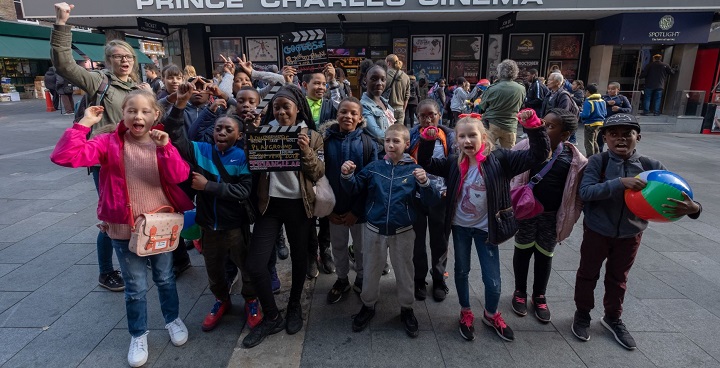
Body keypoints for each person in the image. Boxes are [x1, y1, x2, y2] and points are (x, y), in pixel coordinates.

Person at [50, 90, 193, 367]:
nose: (138, 116)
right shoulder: (107, 143)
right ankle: (138, 334)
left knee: (165, 278)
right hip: (123, 228)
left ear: (155, 115)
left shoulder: (161, 140)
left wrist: (165, 148)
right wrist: (83, 124)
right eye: (132, 111)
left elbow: (180, 176)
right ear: (124, 114)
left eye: (144, 111)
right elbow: (65, 157)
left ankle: (173, 319)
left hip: (159, 227)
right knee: (135, 287)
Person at [416, 110, 550, 342]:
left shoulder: (501, 160)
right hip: (460, 228)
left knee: (493, 278)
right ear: (456, 140)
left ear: (483, 138)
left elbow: (539, 154)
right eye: (462, 137)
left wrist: (533, 125)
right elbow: (426, 162)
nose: (467, 141)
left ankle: (491, 313)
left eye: (472, 136)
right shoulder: (452, 163)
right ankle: (465, 311)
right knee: (461, 270)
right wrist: (428, 140)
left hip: (487, 229)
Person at [572, 113, 702, 350]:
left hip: (631, 234)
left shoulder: (651, 166)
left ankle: (612, 318)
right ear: (605, 138)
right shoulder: (597, 162)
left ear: (638, 137)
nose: (620, 139)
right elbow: (586, 192)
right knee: (587, 274)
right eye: (613, 135)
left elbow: (678, 195)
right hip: (597, 230)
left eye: (627, 134)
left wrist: (694, 208)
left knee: (618, 278)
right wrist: (620, 183)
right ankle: (582, 314)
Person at [51, 1, 143, 292]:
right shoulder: (99, 82)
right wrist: (62, 24)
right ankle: (106, 271)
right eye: (117, 57)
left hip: (136, 158)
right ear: (108, 60)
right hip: (106, 159)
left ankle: (138, 251)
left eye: (127, 56)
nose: (124, 60)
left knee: (134, 209)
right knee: (111, 215)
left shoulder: (140, 87)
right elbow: (64, 65)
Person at [165, 82, 261, 332]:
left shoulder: (242, 157)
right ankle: (221, 299)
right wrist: (180, 105)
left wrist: (209, 186)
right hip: (209, 226)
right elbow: (175, 136)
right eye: (218, 128)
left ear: (238, 135)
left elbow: (243, 190)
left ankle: (251, 300)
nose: (221, 132)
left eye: (228, 129)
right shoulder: (201, 150)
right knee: (214, 270)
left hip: (235, 226)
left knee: (246, 266)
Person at [242, 84, 325, 349]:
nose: (280, 112)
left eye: (285, 107)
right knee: (255, 265)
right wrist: (251, 135)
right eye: (276, 108)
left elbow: (319, 172)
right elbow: (250, 163)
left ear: (297, 109)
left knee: (300, 259)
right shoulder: (262, 132)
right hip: (270, 205)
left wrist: (306, 152)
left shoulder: (311, 136)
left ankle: (293, 308)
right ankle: (272, 316)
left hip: (299, 206)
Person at [341, 124, 440, 338]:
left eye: (396, 141)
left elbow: (431, 201)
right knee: (371, 268)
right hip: (374, 229)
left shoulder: (414, 170)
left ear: (406, 144)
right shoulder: (375, 167)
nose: (391, 144)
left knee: (405, 271)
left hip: (403, 230)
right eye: (387, 140)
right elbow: (355, 188)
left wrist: (425, 183)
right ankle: (368, 305)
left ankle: (407, 308)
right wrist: (347, 175)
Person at [509, 108, 587, 323]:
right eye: (543, 123)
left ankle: (539, 295)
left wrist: (572, 214)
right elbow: (511, 174)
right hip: (526, 213)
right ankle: (520, 292)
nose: (543, 128)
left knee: (544, 255)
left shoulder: (574, 159)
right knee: (522, 251)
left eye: (550, 127)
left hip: (552, 217)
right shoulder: (526, 147)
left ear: (565, 135)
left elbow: (577, 193)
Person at [324, 97, 379, 303]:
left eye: (353, 113)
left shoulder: (368, 143)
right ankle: (341, 278)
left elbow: (371, 181)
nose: (348, 116)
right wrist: (328, 209)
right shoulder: (325, 141)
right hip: (334, 209)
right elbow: (320, 177)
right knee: (338, 246)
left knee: (361, 247)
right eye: (343, 112)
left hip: (359, 212)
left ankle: (362, 277)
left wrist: (357, 211)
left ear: (360, 118)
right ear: (336, 115)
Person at [408, 99, 455, 302]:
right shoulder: (411, 136)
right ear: (417, 118)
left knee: (440, 240)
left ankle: (438, 278)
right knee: (417, 241)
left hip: (440, 197)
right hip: (416, 198)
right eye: (423, 116)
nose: (428, 120)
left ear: (439, 115)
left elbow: (454, 165)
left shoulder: (450, 137)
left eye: (432, 115)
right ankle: (419, 279)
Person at [302, 63, 342, 276]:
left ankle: (325, 250)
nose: (320, 87)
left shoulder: (329, 104)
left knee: (326, 207)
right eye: (316, 83)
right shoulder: (298, 104)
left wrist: (334, 81)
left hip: (327, 164)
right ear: (305, 85)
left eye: (323, 84)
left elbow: (342, 105)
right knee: (308, 208)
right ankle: (311, 253)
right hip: (304, 165)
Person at [479, 59, 526, 148]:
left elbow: (482, 107)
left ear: (500, 72)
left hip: (492, 123)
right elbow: (521, 105)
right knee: (510, 153)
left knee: (487, 150)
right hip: (510, 125)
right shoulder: (521, 88)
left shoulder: (492, 88)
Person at [361, 64, 395, 145]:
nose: (379, 83)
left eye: (383, 79)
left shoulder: (386, 103)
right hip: (378, 154)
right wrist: (397, 143)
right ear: (365, 80)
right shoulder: (363, 106)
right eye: (374, 79)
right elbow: (378, 135)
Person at [600, 82, 632, 152]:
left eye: (613, 89)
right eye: (609, 89)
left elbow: (629, 109)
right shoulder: (603, 97)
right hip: (604, 121)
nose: (610, 90)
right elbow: (598, 105)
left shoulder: (622, 98)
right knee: (600, 139)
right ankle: (600, 153)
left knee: (614, 138)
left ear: (618, 89)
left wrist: (619, 109)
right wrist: (607, 103)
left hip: (616, 122)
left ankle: (613, 151)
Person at [579, 84, 607, 156]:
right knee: (594, 140)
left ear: (588, 92)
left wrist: (579, 113)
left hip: (590, 124)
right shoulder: (602, 101)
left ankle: (590, 157)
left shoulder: (588, 101)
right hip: (600, 123)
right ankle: (597, 155)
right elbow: (605, 113)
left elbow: (586, 115)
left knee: (588, 142)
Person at [385, 54, 411, 123]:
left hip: (388, 109)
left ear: (388, 63)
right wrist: (403, 109)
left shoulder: (384, 76)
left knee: (389, 131)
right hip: (400, 108)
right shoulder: (406, 77)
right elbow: (407, 96)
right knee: (399, 132)